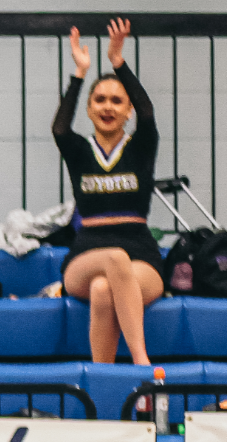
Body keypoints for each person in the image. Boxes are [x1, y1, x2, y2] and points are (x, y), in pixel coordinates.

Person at [55, 20, 164, 366]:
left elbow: (148, 112)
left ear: (127, 111)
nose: (107, 107)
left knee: (104, 290)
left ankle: (104, 380)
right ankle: (141, 362)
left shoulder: (141, 146)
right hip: (88, 250)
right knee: (114, 258)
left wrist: (118, 60)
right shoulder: (78, 149)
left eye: (117, 101)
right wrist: (79, 73)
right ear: (89, 109)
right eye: (99, 100)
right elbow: (59, 127)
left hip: (141, 249)